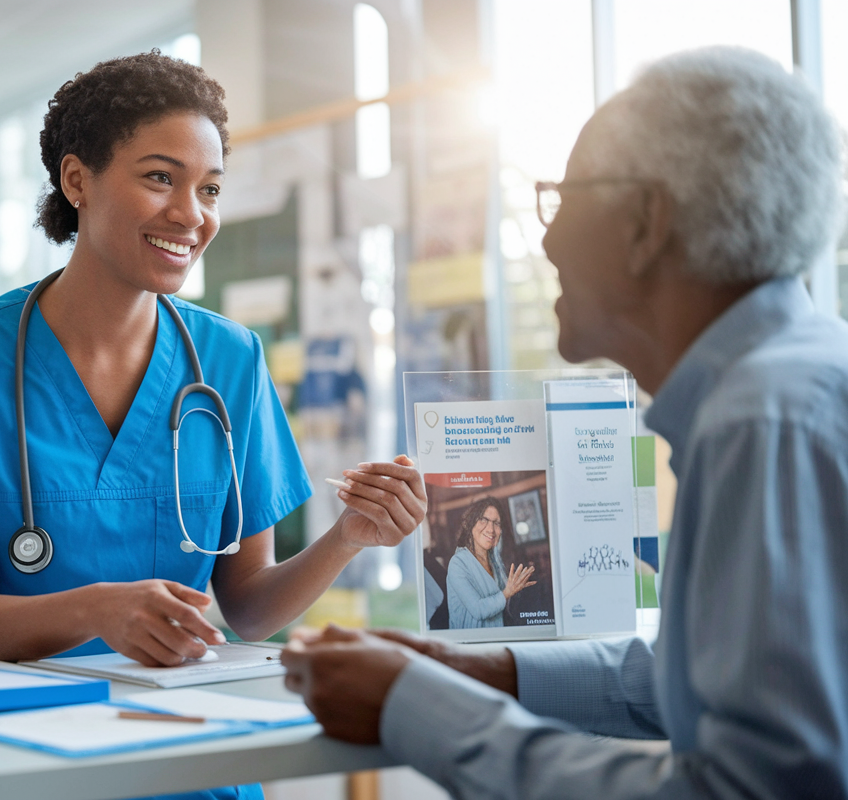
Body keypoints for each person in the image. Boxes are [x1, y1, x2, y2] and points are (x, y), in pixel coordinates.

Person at [280, 46, 848, 797]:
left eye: (564, 196)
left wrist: (414, 707)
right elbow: (712, 673)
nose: (545, 239)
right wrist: (473, 670)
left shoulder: (762, 422)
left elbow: (755, 788)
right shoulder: (790, 381)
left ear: (646, 223)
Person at [0, 51, 427, 800]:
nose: (192, 214)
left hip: (202, 769)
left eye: (210, 188)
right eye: (161, 177)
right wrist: (97, 609)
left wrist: (347, 536)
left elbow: (250, 609)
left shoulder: (230, 359)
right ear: (77, 180)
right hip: (27, 770)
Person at [443, 498, 535, 629]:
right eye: (484, 520)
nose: (491, 529)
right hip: (470, 647)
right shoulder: (458, 563)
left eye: (496, 523)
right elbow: (478, 609)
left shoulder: (495, 563)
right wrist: (507, 593)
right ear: (470, 524)